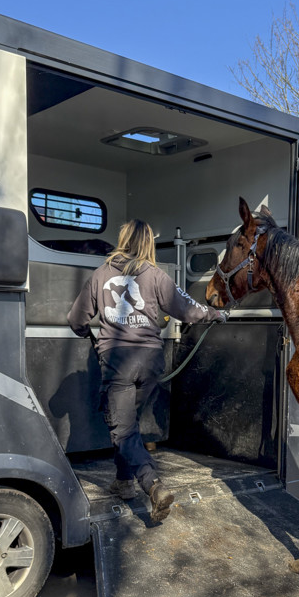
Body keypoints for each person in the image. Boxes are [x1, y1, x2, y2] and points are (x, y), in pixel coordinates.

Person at [67, 219, 228, 522]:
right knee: (128, 425)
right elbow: (188, 309)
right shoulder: (157, 275)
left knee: (122, 429)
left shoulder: (101, 274)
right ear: (148, 244)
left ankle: (152, 485)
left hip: (117, 361)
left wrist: (84, 332)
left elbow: (76, 319)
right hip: (151, 360)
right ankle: (124, 482)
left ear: (123, 239)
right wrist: (213, 313)